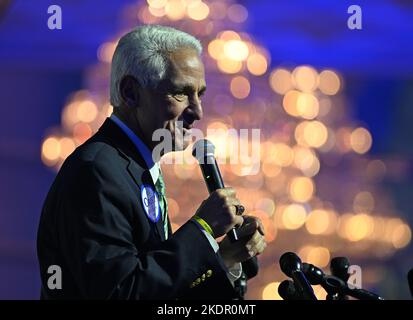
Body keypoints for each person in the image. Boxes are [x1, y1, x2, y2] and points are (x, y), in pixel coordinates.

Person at [37, 25, 266, 300]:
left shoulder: (134, 167)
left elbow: (156, 292)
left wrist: (223, 259)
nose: (197, 112)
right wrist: (203, 229)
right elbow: (121, 293)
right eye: (181, 93)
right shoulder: (96, 172)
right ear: (131, 93)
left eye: (200, 94)